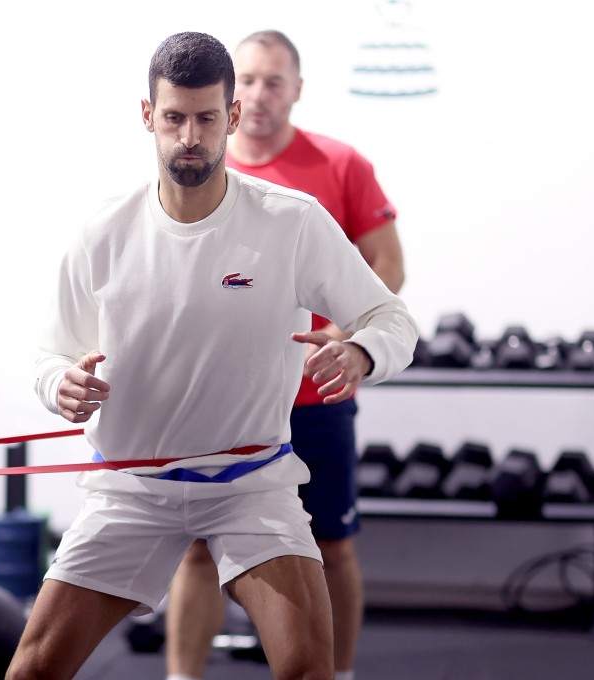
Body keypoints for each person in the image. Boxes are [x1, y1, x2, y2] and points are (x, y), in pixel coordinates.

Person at [7, 31, 417, 680]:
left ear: (231, 118)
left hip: (250, 484)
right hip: (131, 488)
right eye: (173, 118)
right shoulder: (102, 233)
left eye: (205, 118)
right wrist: (58, 383)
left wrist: (363, 351)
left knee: (311, 668)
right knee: (31, 670)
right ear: (149, 117)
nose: (189, 136)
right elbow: (48, 353)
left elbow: (390, 317)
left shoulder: (292, 222)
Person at [165, 30, 405, 680]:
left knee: (331, 546)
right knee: (196, 550)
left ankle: (340, 673)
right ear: (229, 96)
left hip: (312, 394)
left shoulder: (340, 164)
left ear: (297, 89)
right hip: (221, 404)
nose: (259, 93)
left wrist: (353, 336)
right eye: (246, 80)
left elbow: (386, 265)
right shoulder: (202, 170)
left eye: (274, 81)